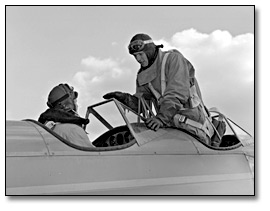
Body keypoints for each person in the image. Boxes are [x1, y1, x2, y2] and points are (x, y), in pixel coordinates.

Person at [103, 33, 220, 146]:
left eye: (140, 54)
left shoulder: (173, 59)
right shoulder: (143, 75)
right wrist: (125, 98)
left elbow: (177, 93)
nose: (138, 59)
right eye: (135, 56)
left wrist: (161, 118)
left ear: (149, 50)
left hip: (193, 130)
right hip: (169, 129)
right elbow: (142, 106)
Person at [38, 83, 95, 148]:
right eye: (75, 101)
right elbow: (94, 156)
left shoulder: (48, 128)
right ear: (65, 105)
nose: (77, 105)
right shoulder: (73, 130)